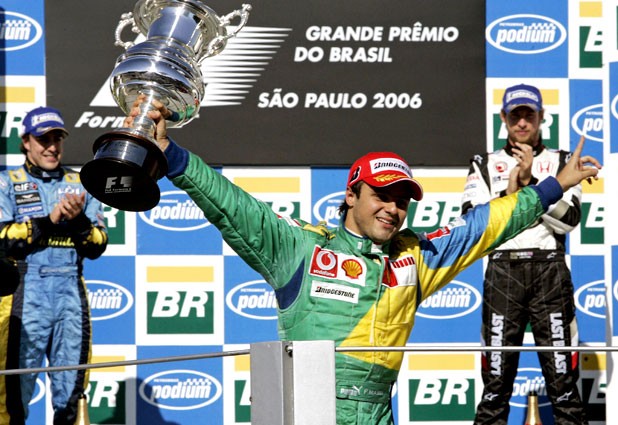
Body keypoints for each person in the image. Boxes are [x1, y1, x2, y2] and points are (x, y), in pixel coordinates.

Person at [126, 96, 599, 425]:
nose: (393, 208)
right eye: (381, 196)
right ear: (351, 194)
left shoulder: (416, 256)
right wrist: (172, 154)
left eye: (402, 200)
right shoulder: (302, 248)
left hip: (378, 412)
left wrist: (555, 185)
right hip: (306, 410)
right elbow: (233, 205)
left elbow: (486, 225)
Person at [461, 84, 589, 424]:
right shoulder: (484, 164)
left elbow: (569, 220)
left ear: (541, 117)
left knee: (564, 385)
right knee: (495, 386)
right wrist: (513, 189)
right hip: (503, 272)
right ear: (503, 117)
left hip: (549, 271)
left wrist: (532, 183)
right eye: (515, 115)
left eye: (528, 115)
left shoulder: (563, 162)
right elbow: (476, 223)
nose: (521, 123)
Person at [0, 107, 108, 425]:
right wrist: (50, 220)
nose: (51, 147)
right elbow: (3, 239)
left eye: (57, 139)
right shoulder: (7, 183)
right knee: (11, 397)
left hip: (70, 296)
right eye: (43, 139)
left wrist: (78, 221)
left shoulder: (80, 184)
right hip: (22, 295)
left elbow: (98, 245)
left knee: (72, 395)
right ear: (26, 142)